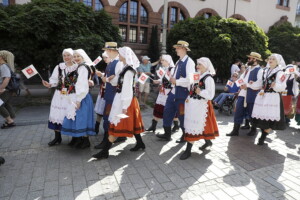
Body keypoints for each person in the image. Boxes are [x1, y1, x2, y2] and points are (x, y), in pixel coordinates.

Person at [92, 46, 145, 159]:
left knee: (117, 124)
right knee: (131, 122)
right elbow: (118, 82)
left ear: (125, 56)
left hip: (126, 100)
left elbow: (127, 88)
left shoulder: (129, 71)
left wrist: (125, 106)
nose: (119, 55)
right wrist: (112, 78)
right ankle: (140, 143)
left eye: (120, 53)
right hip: (122, 98)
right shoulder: (125, 68)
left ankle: (105, 151)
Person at [156, 40, 195, 142]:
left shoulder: (190, 62)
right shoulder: (178, 61)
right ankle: (167, 135)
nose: (176, 50)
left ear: (183, 49)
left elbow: (190, 80)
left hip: (182, 95)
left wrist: (176, 81)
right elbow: (173, 76)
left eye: (177, 48)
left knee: (182, 116)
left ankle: (185, 136)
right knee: (167, 112)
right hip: (173, 93)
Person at [180, 57, 219, 160]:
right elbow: (191, 87)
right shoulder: (197, 75)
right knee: (201, 126)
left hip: (201, 106)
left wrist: (200, 92)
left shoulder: (208, 78)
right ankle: (208, 141)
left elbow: (210, 95)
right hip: (193, 105)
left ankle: (188, 150)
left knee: (194, 125)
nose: (197, 66)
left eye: (199, 65)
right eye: (197, 64)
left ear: (205, 66)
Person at [42, 48, 78, 146]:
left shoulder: (78, 67)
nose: (66, 57)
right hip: (59, 95)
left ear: (72, 56)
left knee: (70, 114)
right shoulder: (59, 67)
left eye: (68, 55)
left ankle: (74, 138)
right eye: (64, 55)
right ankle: (57, 138)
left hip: (71, 95)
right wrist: (49, 84)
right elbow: (54, 80)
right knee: (57, 114)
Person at [61, 49, 96, 149]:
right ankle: (80, 140)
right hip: (80, 96)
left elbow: (82, 86)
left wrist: (79, 100)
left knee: (83, 118)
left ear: (83, 57)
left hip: (82, 97)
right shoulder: (81, 67)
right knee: (80, 118)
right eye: (75, 56)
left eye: (78, 56)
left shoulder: (83, 68)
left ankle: (86, 141)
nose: (76, 58)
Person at [94, 42, 126, 150]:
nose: (106, 52)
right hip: (109, 94)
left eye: (107, 50)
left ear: (111, 51)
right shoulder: (112, 62)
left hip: (113, 95)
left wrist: (106, 79)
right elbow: (110, 77)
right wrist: (104, 76)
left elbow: (117, 80)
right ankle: (119, 136)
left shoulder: (118, 63)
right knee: (109, 117)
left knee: (108, 117)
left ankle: (106, 141)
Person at [250, 53, 287, 145]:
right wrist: (252, 84)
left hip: (273, 98)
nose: (270, 60)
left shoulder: (280, 72)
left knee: (269, 120)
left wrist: (276, 85)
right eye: (270, 58)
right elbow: (260, 83)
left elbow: (283, 86)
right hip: (263, 96)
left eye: (273, 59)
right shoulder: (264, 71)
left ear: (277, 61)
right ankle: (264, 133)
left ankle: (263, 137)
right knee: (261, 118)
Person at [227, 52, 262, 136]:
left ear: (255, 60)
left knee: (252, 113)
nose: (248, 59)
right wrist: (241, 85)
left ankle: (253, 129)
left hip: (252, 95)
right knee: (238, 111)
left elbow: (259, 83)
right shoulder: (247, 69)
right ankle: (235, 130)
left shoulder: (260, 70)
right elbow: (241, 78)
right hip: (242, 93)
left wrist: (248, 85)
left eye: (250, 58)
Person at [146, 54, 176, 132]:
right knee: (158, 108)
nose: (161, 62)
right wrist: (158, 81)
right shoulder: (165, 69)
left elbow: (172, 81)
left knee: (170, 110)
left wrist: (163, 83)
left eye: (163, 60)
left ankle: (176, 126)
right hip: (163, 92)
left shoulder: (172, 69)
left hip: (168, 93)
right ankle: (153, 126)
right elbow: (163, 79)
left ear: (167, 61)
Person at [94, 52, 111, 134]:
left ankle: (107, 130)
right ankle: (96, 127)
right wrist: (101, 74)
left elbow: (112, 78)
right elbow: (106, 76)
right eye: (103, 57)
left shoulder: (113, 65)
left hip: (109, 92)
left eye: (105, 57)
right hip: (103, 91)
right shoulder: (108, 65)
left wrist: (102, 75)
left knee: (107, 112)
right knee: (100, 110)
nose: (104, 59)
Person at [0, 50, 16, 129]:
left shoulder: (3, 66)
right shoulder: (5, 65)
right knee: (7, 104)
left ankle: (10, 121)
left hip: (5, 89)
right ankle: (10, 119)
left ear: (1, 57)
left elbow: (7, 78)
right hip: (7, 89)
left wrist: (1, 88)